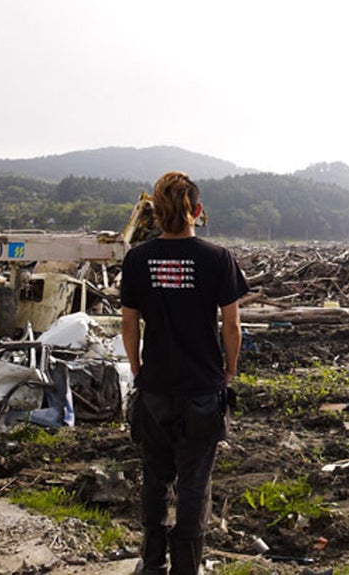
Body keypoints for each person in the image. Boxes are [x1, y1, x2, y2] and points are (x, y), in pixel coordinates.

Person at [121, 171, 249, 574]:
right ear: (197, 211)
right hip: (202, 388)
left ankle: (151, 563)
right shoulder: (217, 259)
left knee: (155, 478)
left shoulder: (138, 258)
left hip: (156, 387)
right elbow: (232, 326)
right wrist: (228, 370)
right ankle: (186, 568)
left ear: (156, 212)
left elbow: (129, 325)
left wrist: (139, 369)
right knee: (194, 483)